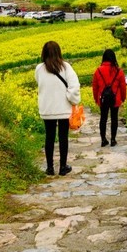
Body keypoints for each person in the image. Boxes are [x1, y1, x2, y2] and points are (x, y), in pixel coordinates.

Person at [36, 40, 80, 176]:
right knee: (63, 137)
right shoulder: (66, 67)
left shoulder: (39, 68)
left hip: (47, 109)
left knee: (49, 137)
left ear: (44, 53)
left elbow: (40, 83)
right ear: (58, 52)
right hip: (63, 109)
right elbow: (74, 87)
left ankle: (50, 168)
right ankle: (62, 167)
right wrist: (72, 99)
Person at [92, 48, 127, 147]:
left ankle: (103, 140)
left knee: (103, 118)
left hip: (103, 99)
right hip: (115, 99)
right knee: (114, 118)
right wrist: (123, 98)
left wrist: (96, 99)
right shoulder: (119, 71)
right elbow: (123, 87)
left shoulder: (98, 71)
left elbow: (95, 87)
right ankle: (113, 139)